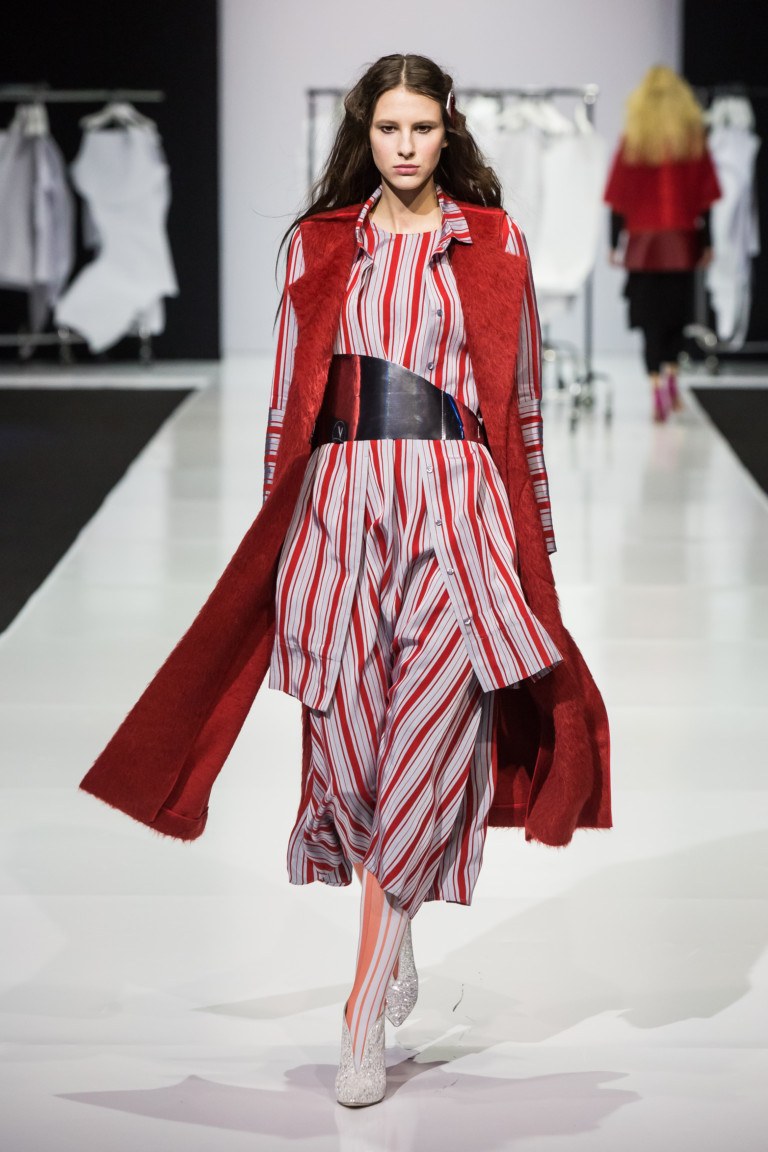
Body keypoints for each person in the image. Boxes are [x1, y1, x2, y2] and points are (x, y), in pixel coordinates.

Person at [80, 54, 611, 1109]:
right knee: (355, 761)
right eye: (387, 129)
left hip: (457, 513)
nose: (405, 148)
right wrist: (277, 537)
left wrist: (535, 548)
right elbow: (289, 402)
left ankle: (360, 1013)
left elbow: (522, 409)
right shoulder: (323, 244)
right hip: (342, 514)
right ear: (365, 133)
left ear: (449, 130)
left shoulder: (497, 242)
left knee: (426, 746)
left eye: (422, 128)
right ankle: (395, 928)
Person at [604, 65, 721, 422]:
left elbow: (618, 200)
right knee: (676, 315)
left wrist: (614, 244)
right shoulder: (691, 141)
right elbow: (704, 203)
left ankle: (655, 382)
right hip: (681, 244)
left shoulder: (635, 141)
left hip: (643, 246)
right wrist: (707, 244)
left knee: (649, 319)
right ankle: (672, 376)